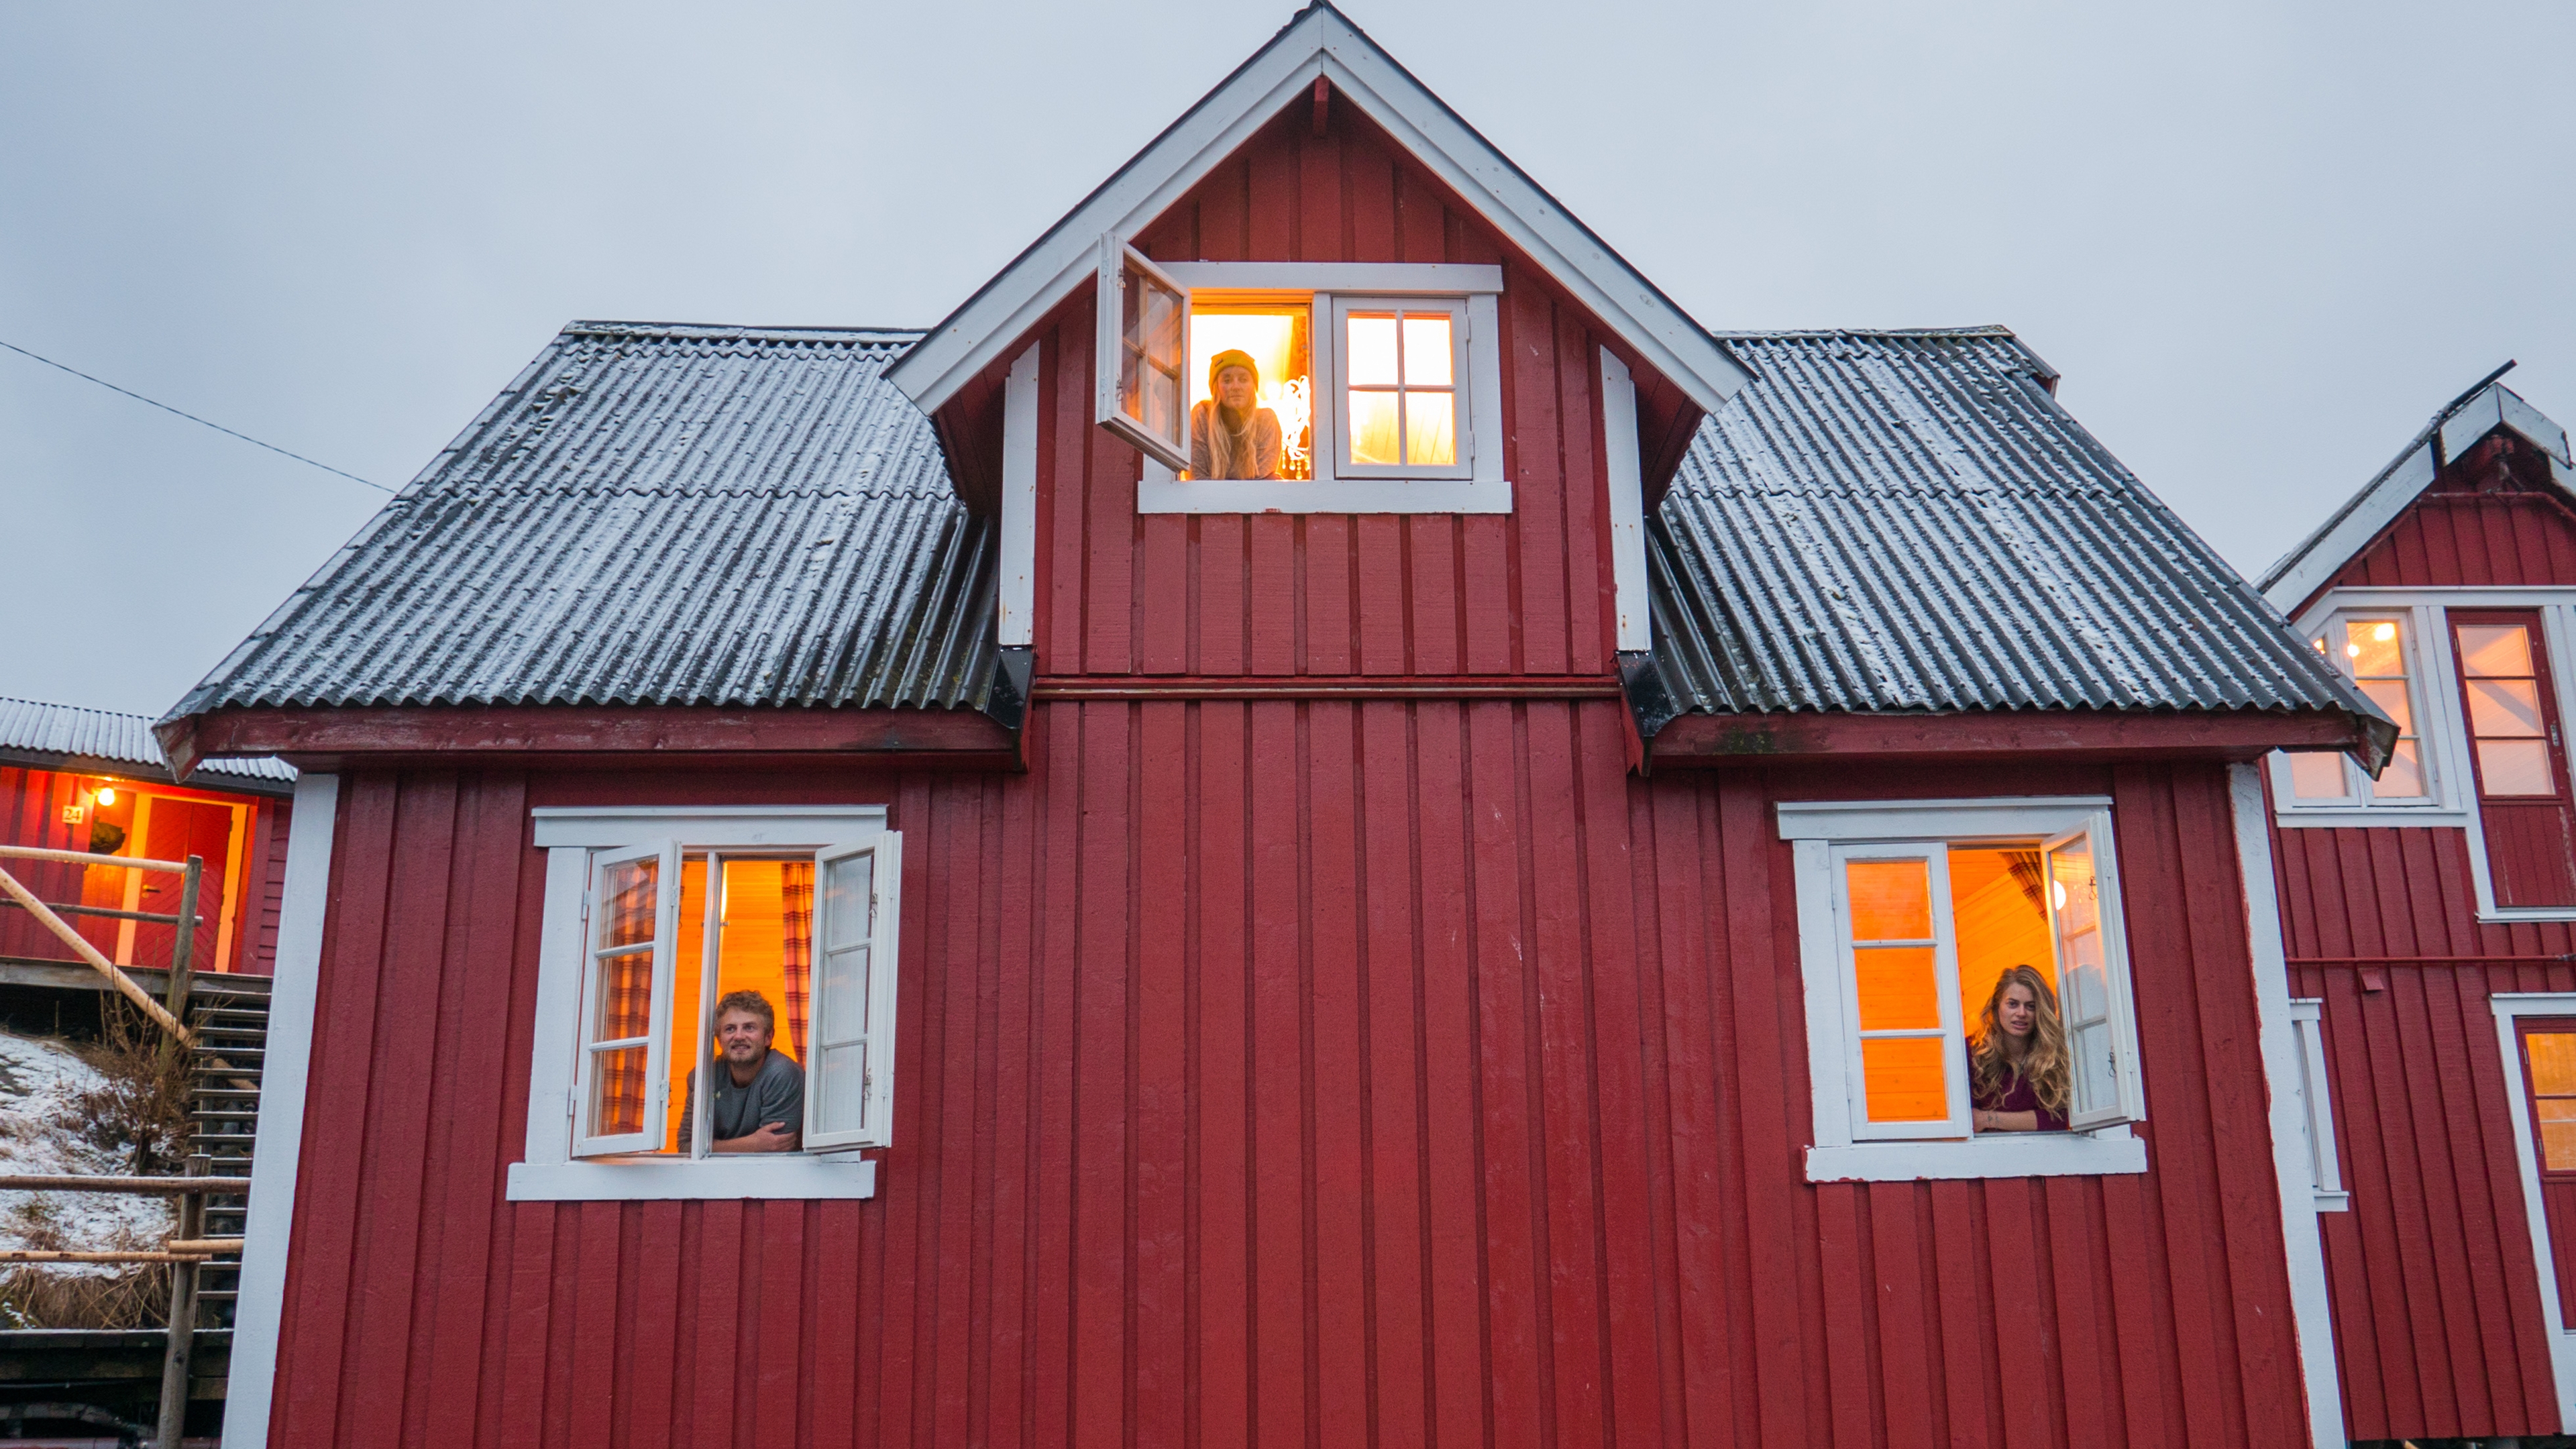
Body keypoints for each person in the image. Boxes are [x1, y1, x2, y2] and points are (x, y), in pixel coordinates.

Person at [678, 989, 804, 1153]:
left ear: (768, 1037)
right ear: (719, 1040)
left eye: (749, 1028)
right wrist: (753, 1144)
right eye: (730, 1029)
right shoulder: (703, 1076)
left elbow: (775, 1151)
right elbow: (686, 1147)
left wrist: (711, 1148)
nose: (738, 1036)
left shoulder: (782, 1073)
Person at [1967, 965, 2071, 1133]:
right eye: (2013, 1004)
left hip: (2043, 1152)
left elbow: (2058, 1119)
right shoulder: (1973, 1051)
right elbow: (1966, 1118)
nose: (2022, 1013)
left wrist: (1987, 1119)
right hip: (1986, 1153)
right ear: (1996, 1005)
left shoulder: (2053, 1053)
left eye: (2031, 1006)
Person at [1189, 348, 1283, 480]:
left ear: (1253, 387)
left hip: (1253, 500)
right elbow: (1197, 479)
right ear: (1216, 388)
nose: (1236, 387)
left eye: (1243, 380)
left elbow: (1261, 485)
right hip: (1209, 500)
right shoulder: (1202, 415)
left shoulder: (1266, 420)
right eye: (1227, 381)